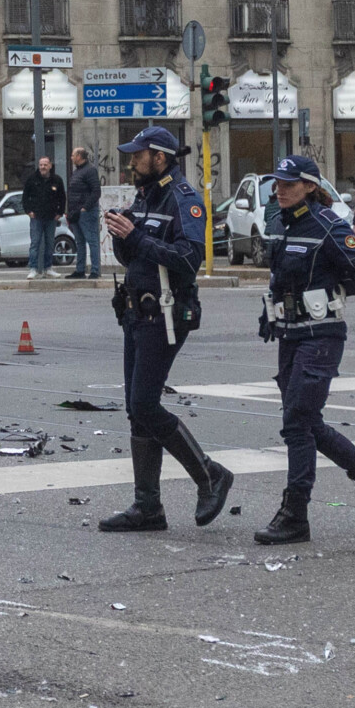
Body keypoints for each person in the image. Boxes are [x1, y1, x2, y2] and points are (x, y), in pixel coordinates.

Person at [253, 155, 355, 546]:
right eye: (278, 183)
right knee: (307, 422)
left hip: (322, 335)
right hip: (291, 334)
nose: (279, 189)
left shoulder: (328, 226)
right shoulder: (282, 224)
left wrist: (330, 295)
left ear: (309, 187)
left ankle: (295, 515)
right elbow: (283, 276)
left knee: (297, 423)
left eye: (288, 183)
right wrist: (271, 311)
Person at [97, 126, 231, 532]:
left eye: (138, 155)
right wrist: (121, 235)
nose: (131, 161)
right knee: (136, 412)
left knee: (144, 405)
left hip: (167, 314)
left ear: (160, 157)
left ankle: (210, 475)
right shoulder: (143, 195)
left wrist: (136, 236)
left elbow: (190, 258)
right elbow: (134, 255)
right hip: (136, 313)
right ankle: (148, 508)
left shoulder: (184, 198)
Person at [22, 155, 66, 280]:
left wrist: (60, 212)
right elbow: (25, 197)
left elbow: (62, 197)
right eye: (41, 164)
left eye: (45, 164)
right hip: (36, 217)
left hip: (51, 218)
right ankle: (33, 269)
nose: (43, 167)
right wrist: (28, 211)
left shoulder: (56, 180)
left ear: (50, 166)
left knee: (50, 243)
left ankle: (48, 268)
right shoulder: (32, 179)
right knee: (35, 243)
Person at [66, 146, 103, 279]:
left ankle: (95, 270)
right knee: (79, 242)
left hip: (86, 212)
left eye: (73, 155)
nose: (71, 158)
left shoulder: (90, 170)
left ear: (79, 157)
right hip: (75, 212)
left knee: (92, 240)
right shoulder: (77, 172)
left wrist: (85, 207)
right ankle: (80, 270)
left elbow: (96, 191)